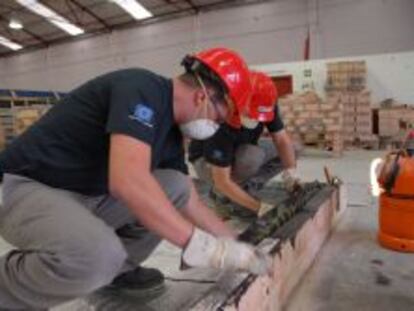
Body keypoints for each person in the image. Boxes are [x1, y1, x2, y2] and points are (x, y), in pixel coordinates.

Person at [0, 48, 272, 310]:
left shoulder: (172, 135)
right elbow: (127, 181)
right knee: (96, 256)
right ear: (202, 97)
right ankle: (11, 293)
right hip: (24, 186)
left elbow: (188, 199)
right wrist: (202, 246)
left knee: (175, 186)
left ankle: (112, 274)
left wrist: (237, 245)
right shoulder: (141, 88)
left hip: (86, 196)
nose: (216, 127)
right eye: (219, 118)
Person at [189, 71, 300, 218]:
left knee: (294, 148)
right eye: (251, 115)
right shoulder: (220, 118)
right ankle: (220, 196)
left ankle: (246, 187)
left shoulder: (265, 103)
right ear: (239, 101)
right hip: (207, 161)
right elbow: (222, 180)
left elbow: (281, 140)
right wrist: (259, 208)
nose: (256, 120)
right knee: (252, 156)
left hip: (242, 147)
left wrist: (291, 173)